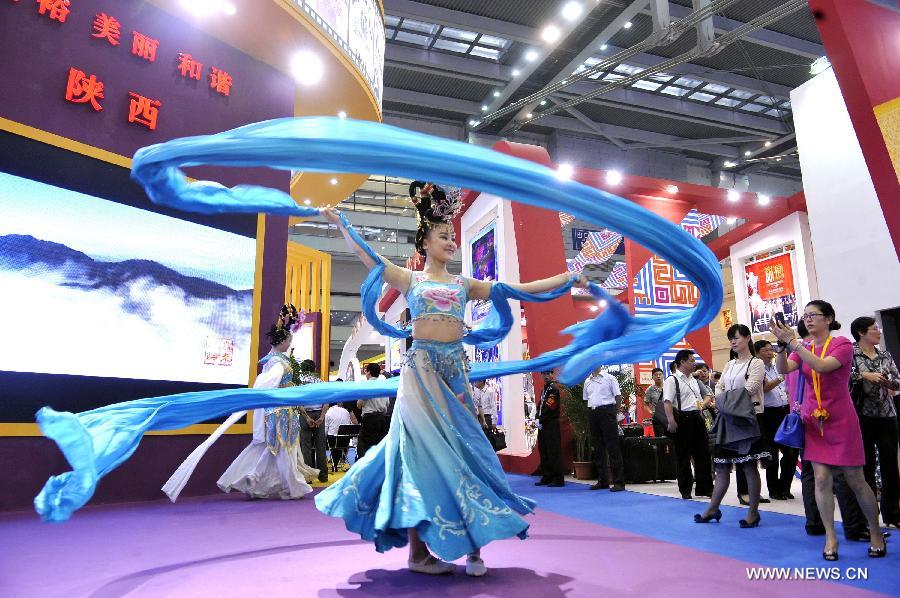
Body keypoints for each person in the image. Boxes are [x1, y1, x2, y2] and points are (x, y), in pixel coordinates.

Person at [316, 182, 588, 576]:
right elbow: (369, 258)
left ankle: (474, 548)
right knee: (418, 457)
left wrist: (566, 277)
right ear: (423, 242)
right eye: (443, 235)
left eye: (453, 236)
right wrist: (342, 224)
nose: (451, 241)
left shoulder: (463, 284)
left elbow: (518, 289)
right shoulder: (411, 281)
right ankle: (418, 554)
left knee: (468, 452)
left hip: (455, 373)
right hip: (421, 373)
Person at [771, 300, 886, 560]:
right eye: (805, 316)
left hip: (841, 420)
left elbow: (822, 367)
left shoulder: (841, 344)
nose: (808, 320)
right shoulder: (803, 347)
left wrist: (794, 343)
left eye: (814, 315)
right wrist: (781, 345)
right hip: (814, 421)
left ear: (828, 318)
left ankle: (876, 532)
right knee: (821, 480)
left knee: (856, 480)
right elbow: (783, 369)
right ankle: (830, 537)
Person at [215, 306, 320, 499]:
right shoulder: (279, 363)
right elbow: (266, 384)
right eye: (289, 339)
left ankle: (256, 480)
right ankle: (288, 486)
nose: (290, 342)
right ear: (282, 341)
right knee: (282, 449)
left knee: (275, 448)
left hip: (278, 411)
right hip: (281, 411)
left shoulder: (274, 359)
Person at [696, 325, 767, 527]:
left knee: (749, 466)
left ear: (747, 338)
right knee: (722, 467)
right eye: (730, 339)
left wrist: (723, 400)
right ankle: (712, 508)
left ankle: (753, 512)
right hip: (727, 419)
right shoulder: (729, 364)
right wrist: (723, 399)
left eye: (736, 338)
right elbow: (717, 387)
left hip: (747, 419)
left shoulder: (757, 363)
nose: (733, 342)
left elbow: (751, 388)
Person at [850, 316, 900, 528]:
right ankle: (869, 517)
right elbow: (845, 377)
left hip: (887, 414)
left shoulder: (885, 354)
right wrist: (865, 376)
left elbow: (897, 380)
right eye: (874, 329)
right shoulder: (851, 353)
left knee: (890, 465)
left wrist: (890, 382)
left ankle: (893, 514)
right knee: (866, 466)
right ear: (861, 333)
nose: (879, 332)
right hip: (863, 415)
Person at [663, 350, 713, 500]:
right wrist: (671, 421)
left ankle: (705, 488)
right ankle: (685, 489)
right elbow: (667, 402)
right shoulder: (672, 380)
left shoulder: (693, 379)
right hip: (682, 418)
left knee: (703, 454)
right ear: (682, 362)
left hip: (697, 417)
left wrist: (701, 406)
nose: (694, 363)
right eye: (691, 360)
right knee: (683, 455)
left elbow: (703, 397)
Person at [756, 339, 799, 501]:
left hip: (784, 412)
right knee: (772, 454)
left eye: (770, 349)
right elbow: (764, 388)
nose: (770, 352)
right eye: (766, 350)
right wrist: (782, 378)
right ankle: (774, 490)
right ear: (758, 353)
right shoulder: (757, 369)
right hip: (768, 414)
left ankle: (785, 487)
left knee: (791, 451)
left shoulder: (776, 366)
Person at [584, 367, 625, 491]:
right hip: (593, 412)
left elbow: (618, 396)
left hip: (607, 411)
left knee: (613, 447)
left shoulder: (610, 378)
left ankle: (619, 482)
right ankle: (602, 481)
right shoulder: (587, 381)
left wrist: (616, 412)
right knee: (598, 448)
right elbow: (586, 400)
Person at [297, 360, 330, 484]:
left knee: (306, 446)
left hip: (306, 414)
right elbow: (326, 401)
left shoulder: (300, 383)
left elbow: (298, 403)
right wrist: (321, 417)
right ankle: (323, 476)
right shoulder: (321, 382)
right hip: (319, 413)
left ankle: (308, 477)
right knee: (321, 446)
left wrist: (306, 417)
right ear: (314, 368)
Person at [536, 370, 566, 488]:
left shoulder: (553, 388)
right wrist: (537, 416)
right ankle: (547, 476)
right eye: (544, 374)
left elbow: (550, 406)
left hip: (551, 424)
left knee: (553, 451)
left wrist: (540, 417)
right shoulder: (545, 389)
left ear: (552, 375)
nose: (546, 376)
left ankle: (558, 478)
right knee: (544, 450)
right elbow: (541, 405)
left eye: (548, 374)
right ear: (541, 375)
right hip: (543, 423)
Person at [356, 363, 390, 459]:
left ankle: (365, 470)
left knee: (364, 446)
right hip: (382, 419)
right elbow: (387, 404)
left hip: (369, 419)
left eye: (366, 371)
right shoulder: (384, 386)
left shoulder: (366, 385)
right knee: (379, 446)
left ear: (369, 372)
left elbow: (359, 404)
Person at [324, 401, 353, 472]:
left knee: (330, 440)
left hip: (333, 441)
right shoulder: (346, 411)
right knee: (338, 441)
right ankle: (338, 461)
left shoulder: (328, 413)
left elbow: (325, 430)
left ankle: (333, 463)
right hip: (345, 441)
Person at [645, 367, 666, 437]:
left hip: (670, 416)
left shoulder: (669, 386)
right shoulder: (649, 390)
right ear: (652, 377)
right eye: (656, 375)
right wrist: (651, 412)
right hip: (658, 418)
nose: (658, 376)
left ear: (663, 376)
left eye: (660, 374)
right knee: (660, 439)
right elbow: (645, 404)